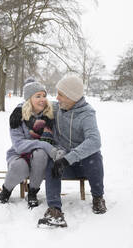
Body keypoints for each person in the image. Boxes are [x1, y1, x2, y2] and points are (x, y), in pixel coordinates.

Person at [37, 75, 107, 227]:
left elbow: (95, 141)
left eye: (61, 94)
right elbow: (34, 102)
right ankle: (54, 210)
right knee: (52, 161)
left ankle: (98, 198)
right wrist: (18, 111)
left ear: (72, 97)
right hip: (63, 165)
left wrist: (68, 159)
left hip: (83, 166)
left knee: (93, 155)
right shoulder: (57, 107)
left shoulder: (87, 114)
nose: (57, 97)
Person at [0, 79, 60, 209]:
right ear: (29, 99)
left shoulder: (50, 114)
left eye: (44, 95)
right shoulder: (18, 116)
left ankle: (32, 192)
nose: (42, 99)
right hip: (19, 154)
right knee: (20, 166)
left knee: (40, 154)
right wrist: (45, 145)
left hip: (41, 157)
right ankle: (6, 190)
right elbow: (18, 145)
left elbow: (66, 102)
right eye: (38, 96)